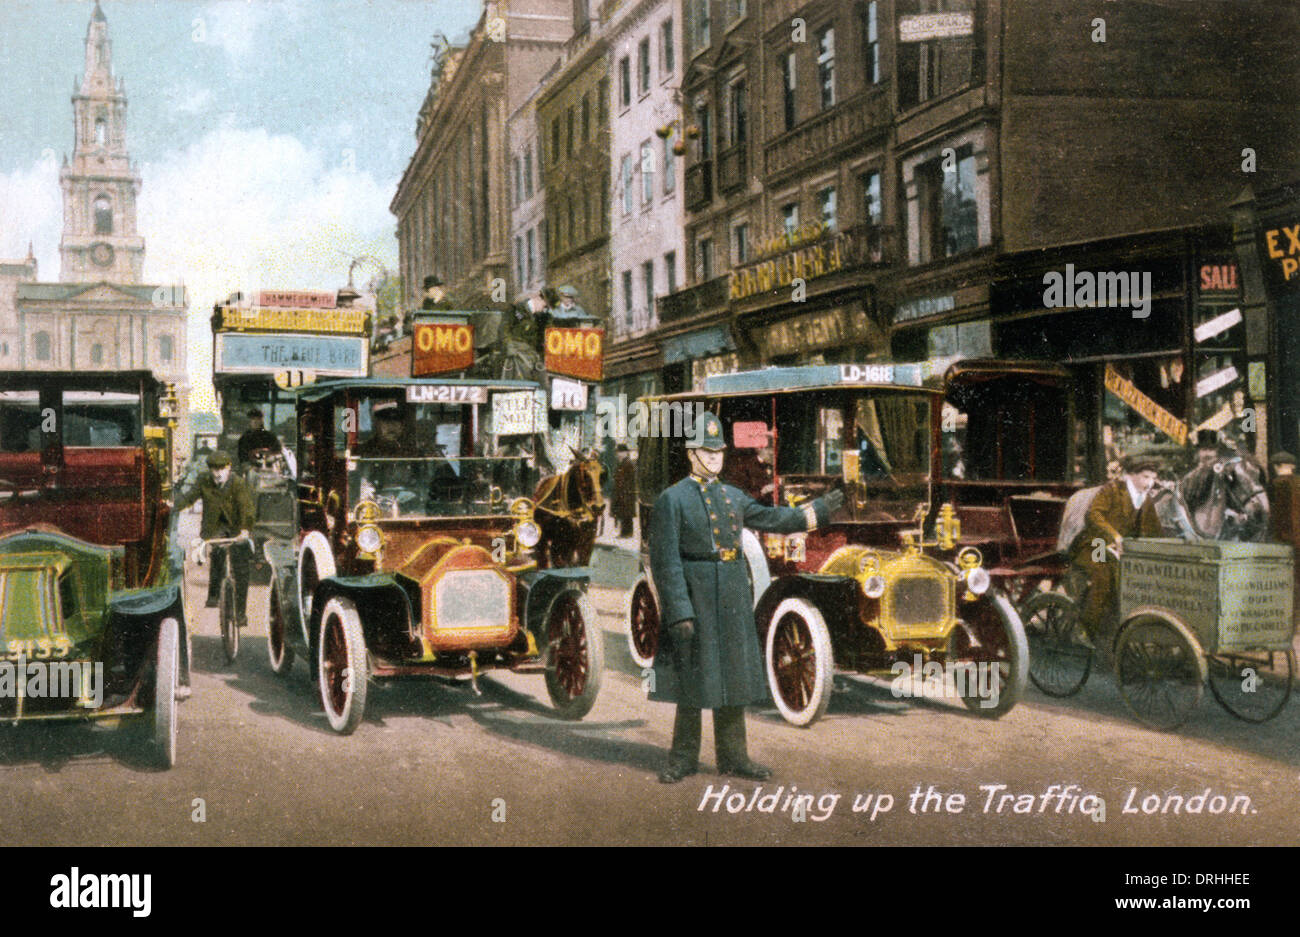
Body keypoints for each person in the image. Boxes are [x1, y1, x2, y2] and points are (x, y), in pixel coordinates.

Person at [649, 412, 844, 784]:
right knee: (693, 682)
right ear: (691, 454)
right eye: (706, 453)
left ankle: (734, 757)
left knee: (732, 680)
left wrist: (821, 510)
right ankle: (683, 758)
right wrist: (679, 611)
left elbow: (776, 519)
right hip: (697, 596)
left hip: (733, 594)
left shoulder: (733, 496)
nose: (714, 459)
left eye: (718, 452)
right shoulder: (671, 500)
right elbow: (666, 561)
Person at [1068, 454, 1164, 636]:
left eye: (1153, 478)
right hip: (1094, 543)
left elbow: (1155, 530)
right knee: (1103, 575)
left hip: (1121, 550)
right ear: (1131, 475)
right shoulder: (1112, 490)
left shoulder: (1146, 500)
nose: (1150, 482)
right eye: (1145, 477)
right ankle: (1084, 630)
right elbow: (1093, 515)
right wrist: (1114, 535)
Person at [173, 451, 254, 627]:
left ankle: (240, 613)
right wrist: (173, 505)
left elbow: (246, 508)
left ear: (229, 468)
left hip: (236, 527)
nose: (217, 474)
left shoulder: (238, 483)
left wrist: (245, 530)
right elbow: (189, 497)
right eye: (214, 470)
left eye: (221, 469)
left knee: (241, 570)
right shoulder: (204, 480)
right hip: (215, 528)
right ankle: (214, 595)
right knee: (217, 553)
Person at [612, 443, 637, 538]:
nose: (618, 454)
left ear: (625, 452)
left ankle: (627, 533)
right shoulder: (622, 463)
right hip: (622, 492)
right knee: (623, 514)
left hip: (627, 493)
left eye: (620, 452)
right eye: (618, 452)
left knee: (626, 514)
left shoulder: (628, 463)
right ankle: (625, 533)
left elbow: (630, 479)